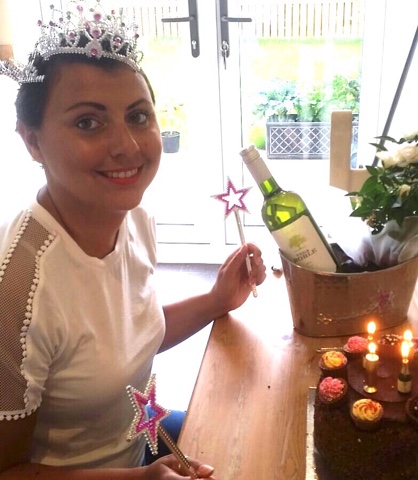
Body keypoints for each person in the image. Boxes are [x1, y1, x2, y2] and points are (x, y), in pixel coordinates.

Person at [0, 1, 266, 479]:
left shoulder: (134, 215)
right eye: (88, 122)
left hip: (143, 439)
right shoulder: (16, 291)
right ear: (32, 141)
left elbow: (124, 339)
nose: (127, 146)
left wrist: (216, 300)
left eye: (138, 116)